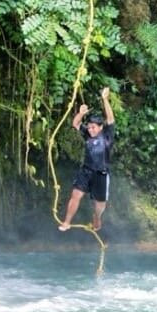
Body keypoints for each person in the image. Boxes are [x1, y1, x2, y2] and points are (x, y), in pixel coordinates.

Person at [59, 86, 116, 232]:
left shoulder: (107, 136)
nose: (90, 130)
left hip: (101, 175)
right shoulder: (87, 134)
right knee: (75, 195)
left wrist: (105, 99)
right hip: (86, 171)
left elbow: (110, 118)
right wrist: (80, 113)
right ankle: (66, 222)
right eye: (89, 127)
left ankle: (97, 217)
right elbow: (76, 124)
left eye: (93, 128)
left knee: (99, 206)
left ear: (100, 127)